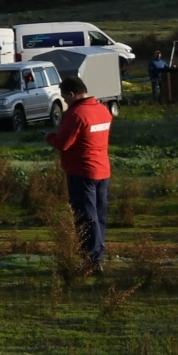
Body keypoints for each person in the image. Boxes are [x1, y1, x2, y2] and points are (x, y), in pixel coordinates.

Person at [47, 75, 112, 269]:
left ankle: (91, 260)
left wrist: (49, 137)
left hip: (82, 171)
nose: (65, 101)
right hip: (102, 169)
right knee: (99, 215)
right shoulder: (103, 110)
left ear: (72, 94)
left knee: (85, 216)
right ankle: (98, 253)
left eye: (65, 97)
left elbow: (63, 143)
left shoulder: (76, 114)